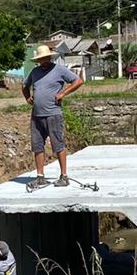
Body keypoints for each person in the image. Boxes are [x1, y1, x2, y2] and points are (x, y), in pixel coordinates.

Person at [22, 45, 85, 189]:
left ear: (50, 57)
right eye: (40, 59)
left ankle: (64, 176)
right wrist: (28, 98)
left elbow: (78, 81)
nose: (43, 61)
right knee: (37, 146)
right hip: (37, 116)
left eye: (45, 58)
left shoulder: (59, 70)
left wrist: (63, 93)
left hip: (53, 114)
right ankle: (40, 177)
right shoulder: (35, 72)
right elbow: (24, 85)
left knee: (58, 145)